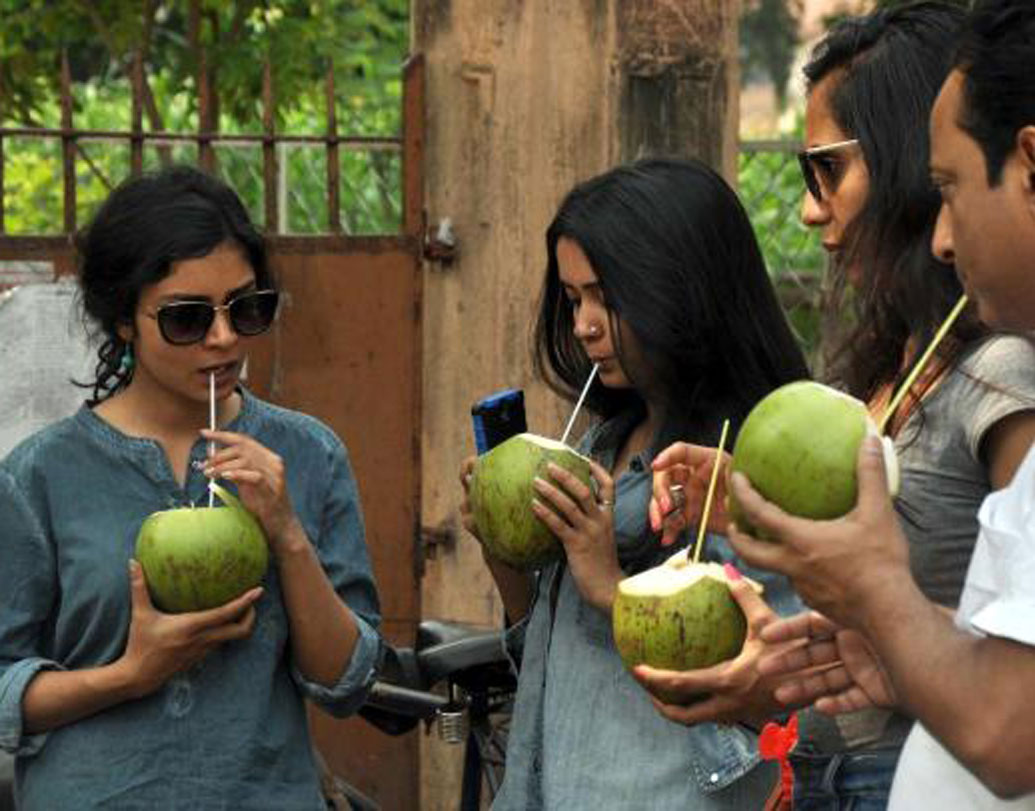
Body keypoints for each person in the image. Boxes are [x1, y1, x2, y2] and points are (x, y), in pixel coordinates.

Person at [639, 3, 1035, 808]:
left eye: (826, 169)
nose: (812, 207)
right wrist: (744, 502)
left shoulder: (1001, 375)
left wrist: (874, 592)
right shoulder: (892, 372)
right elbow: (980, 641)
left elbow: (1006, 725)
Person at [0, 166, 382, 809]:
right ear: (125, 321)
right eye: (187, 318)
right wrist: (129, 675)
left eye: (247, 307)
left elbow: (346, 681)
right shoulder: (41, 476)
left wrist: (286, 533)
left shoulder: (306, 455)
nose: (225, 338)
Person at [459, 158, 810, 809]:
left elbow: (772, 693)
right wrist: (499, 542)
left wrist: (607, 584)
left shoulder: (747, 473)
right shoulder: (599, 446)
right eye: (572, 299)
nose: (583, 325)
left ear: (681, 290)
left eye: (606, 298)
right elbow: (543, 646)